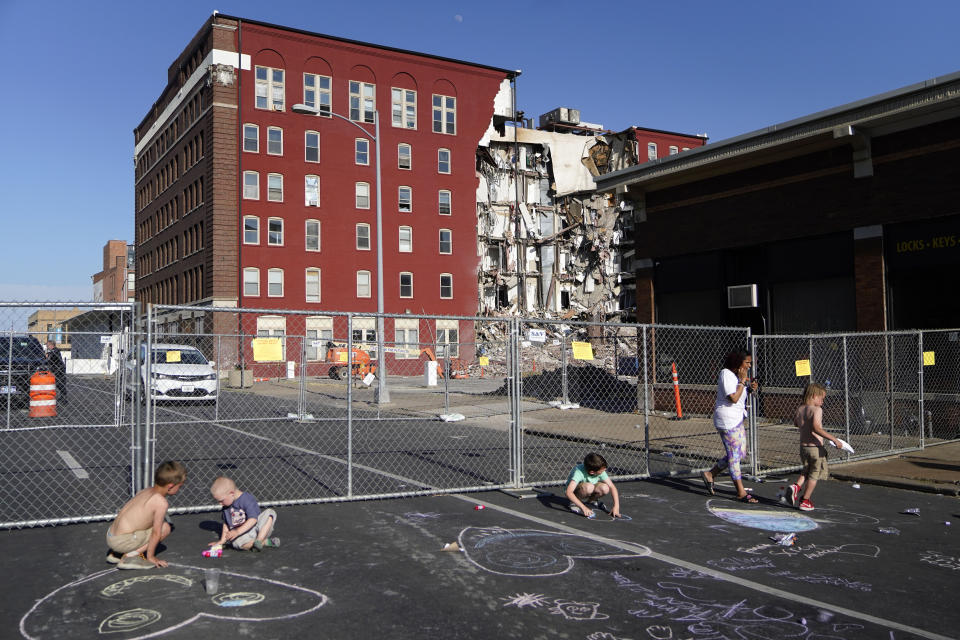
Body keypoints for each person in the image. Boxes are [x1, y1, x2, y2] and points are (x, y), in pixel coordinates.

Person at [700, 350, 759, 503]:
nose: (749, 365)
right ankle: (741, 492)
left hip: (737, 418)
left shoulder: (737, 377)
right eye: (747, 362)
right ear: (738, 363)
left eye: (750, 363)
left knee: (739, 453)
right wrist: (741, 381)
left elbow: (740, 395)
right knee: (734, 456)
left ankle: (710, 474)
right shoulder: (726, 374)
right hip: (727, 419)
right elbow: (733, 397)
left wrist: (749, 388)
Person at [106, 460, 186, 569]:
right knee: (165, 527)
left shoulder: (146, 491)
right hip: (121, 541)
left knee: (146, 525)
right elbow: (156, 533)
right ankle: (130, 556)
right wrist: (151, 557)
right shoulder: (160, 502)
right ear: (170, 486)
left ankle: (117, 553)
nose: (179, 489)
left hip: (111, 536)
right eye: (179, 486)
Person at [787, 383, 842, 512]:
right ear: (813, 396)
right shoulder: (817, 410)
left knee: (806, 469)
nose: (822, 402)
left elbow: (796, 423)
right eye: (821, 398)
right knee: (814, 474)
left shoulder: (800, 409)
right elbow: (816, 428)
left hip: (803, 447)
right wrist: (833, 439)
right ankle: (805, 500)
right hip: (815, 448)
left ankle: (796, 487)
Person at [210, 476, 279, 551]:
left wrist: (237, 531)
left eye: (221, 500)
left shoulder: (246, 499)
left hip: (258, 528)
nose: (220, 504)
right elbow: (226, 524)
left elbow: (253, 519)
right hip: (244, 535)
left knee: (270, 512)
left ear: (231, 493)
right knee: (236, 543)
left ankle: (259, 540)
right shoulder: (226, 507)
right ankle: (265, 542)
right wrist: (222, 541)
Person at [564, 452, 621, 518]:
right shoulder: (579, 472)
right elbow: (569, 492)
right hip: (576, 491)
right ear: (592, 472)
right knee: (589, 487)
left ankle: (591, 501)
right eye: (601, 471)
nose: (604, 472)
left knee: (605, 488)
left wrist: (616, 506)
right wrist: (583, 508)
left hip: (590, 488)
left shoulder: (600, 470)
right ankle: (574, 503)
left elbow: (612, 487)